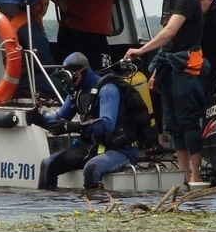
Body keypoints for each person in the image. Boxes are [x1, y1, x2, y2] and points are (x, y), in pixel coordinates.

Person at [124, 0, 209, 184]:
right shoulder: (167, 0)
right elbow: (165, 40)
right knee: (173, 123)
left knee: (189, 120)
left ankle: (197, 174)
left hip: (187, 65)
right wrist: (156, 72)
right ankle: (184, 174)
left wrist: (141, 51)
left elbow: (171, 32)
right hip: (169, 65)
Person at [25, 52, 139, 191]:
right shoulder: (76, 93)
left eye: (70, 76)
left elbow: (106, 125)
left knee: (91, 169)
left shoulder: (107, 90)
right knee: (48, 164)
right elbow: (58, 120)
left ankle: (95, 209)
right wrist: (39, 119)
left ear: (81, 73)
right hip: (94, 148)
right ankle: (49, 207)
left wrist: (72, 126)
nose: (68, 81)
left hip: (120, 150)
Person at [3, 0, 65, 100]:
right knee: (66, 88)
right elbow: (42, 57)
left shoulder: (28, 19)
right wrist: (60, 73)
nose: (42, 9)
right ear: (29, 2)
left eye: (46, 4)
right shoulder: (27, 23)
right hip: (24, 77)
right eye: (38, 3)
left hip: (22, 74)